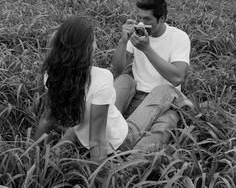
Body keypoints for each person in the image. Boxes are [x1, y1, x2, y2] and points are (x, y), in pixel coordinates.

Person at [34, 15, 186, 161]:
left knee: (126, 79)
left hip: (83, 132)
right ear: (86, 48)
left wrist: (31, 152)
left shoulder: (52, 75)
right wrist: (98, 178)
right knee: (165, 90)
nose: (96, 45)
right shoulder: (102, 77)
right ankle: (187, 108)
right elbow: (97, 141)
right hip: (119, 141)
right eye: (93, 41)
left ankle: (61, 148)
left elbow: (47, 119)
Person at [112, 0, 192, 154]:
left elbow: (177, 77)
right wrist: (123, 41)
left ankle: (126, 163)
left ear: (161, 18)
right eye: (139, 17)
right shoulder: (137, 34)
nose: (141, 23)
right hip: (136, 97)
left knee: (159, 131)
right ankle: (106, 133)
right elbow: (118, 70)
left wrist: (147, 49)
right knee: (124, 79)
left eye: (147, 19)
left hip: (167, 103)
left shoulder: (178, 37)